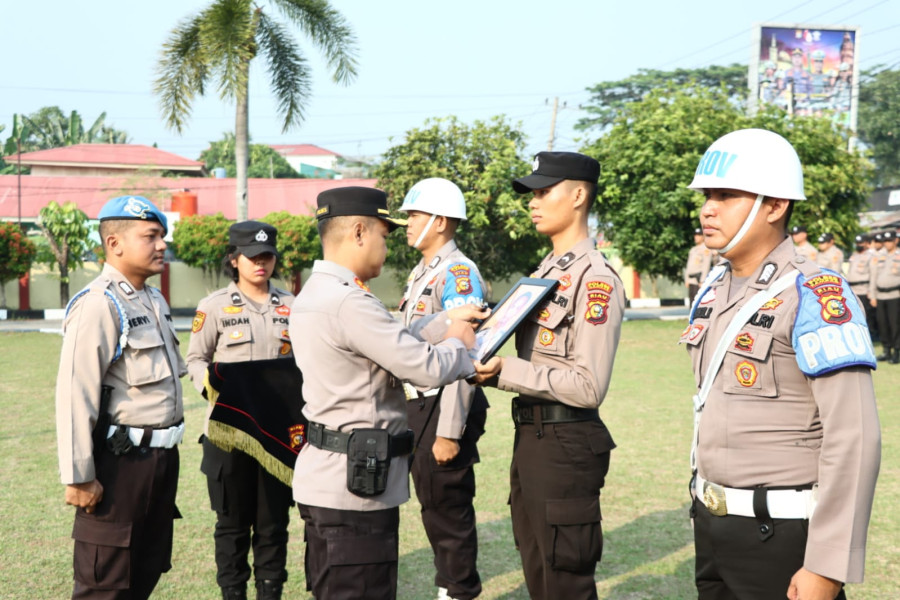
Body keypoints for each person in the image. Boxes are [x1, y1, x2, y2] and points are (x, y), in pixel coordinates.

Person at [682, 128, 880, 599]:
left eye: (726, 195)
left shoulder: (815, 293)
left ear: (775, 206)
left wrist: (827, 566)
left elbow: (854, 434)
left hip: (782, 534)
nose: (708, 208)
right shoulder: (713, 289)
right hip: (713, 526)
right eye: (707, 195)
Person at [289, 186, 488, 600]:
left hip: (334, 480)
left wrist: (444, 319)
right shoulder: (349, 301)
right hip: (355, 490)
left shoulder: (322, 292)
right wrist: (459, 342)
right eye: (384, 233)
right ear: (359, 232)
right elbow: (425, 367)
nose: (387, 244)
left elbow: (391, 337)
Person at [473, 151, 622, 600]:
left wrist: (504, 370)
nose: (533, 202)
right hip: (534, 436)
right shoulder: (546, 272)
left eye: (544, 191)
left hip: (566, 440)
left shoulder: (595, 279)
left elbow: (589, 385)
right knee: (540, 573)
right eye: (532, 193)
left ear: (578, 195)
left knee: (564, 582)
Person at [55, 195, 187, 599]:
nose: (162, 244)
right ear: (115, 244)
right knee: (106, 583)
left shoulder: (152, 299)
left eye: (162, 236)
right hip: (119, 466)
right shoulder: (100, 303)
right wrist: (79, 475)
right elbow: (75, 393)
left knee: (145, 570)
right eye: (151, 236)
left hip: (160, 462)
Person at [185, 221, 295, 600]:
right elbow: (195, 359)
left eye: (267, 256)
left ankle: (270, 593)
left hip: (276, 434)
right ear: (234, 259)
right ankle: (232, 594)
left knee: (273, 524)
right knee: (231, 525)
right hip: (229, 434)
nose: (260, 263)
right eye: (252, 257)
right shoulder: (213, 306)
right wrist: (215, 391)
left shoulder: (292, 306)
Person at [397, 178, 489, 600]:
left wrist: (450, 430)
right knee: (433, 507)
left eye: (415, 215)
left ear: (441, 221)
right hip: (419, 405)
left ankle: (459, 591)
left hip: (442, 407)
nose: (408, 222)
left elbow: (465, 353)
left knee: (448, 511)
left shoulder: (458, 272)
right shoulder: (423, 272)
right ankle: (448, 587)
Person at [869, 230, 900, 364]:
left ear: (895, 241)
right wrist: (872, 295)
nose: (887, 243)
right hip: (880, 295)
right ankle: (886, 350)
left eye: (890, 241)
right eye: (885, 241)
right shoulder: (879, 256)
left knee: (895, 325)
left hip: (895, 294)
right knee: (882, 324)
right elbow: (873, 276)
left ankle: (896, 352)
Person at [847, 234, 878, 341]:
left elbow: (873, 275)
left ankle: (870, 338)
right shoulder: (854, 256)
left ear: (866, 243)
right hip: (854, 290)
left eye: (861, 243)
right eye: (857, 243)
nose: (859, 245)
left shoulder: (870, 256)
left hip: (864, 289)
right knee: (856, 315)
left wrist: (871, 291)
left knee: (867, 316)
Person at [685, 227, 713, 304]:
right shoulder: (693, 250)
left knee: (697, 303)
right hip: (691, 280)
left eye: (698, 235)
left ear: (703, 237)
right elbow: (689, 266)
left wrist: (702, 280)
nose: (696, 237)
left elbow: (706, 265)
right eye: (695, 235)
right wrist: (686, 279)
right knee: (691, 302)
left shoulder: (706, 249)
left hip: (698, 280)